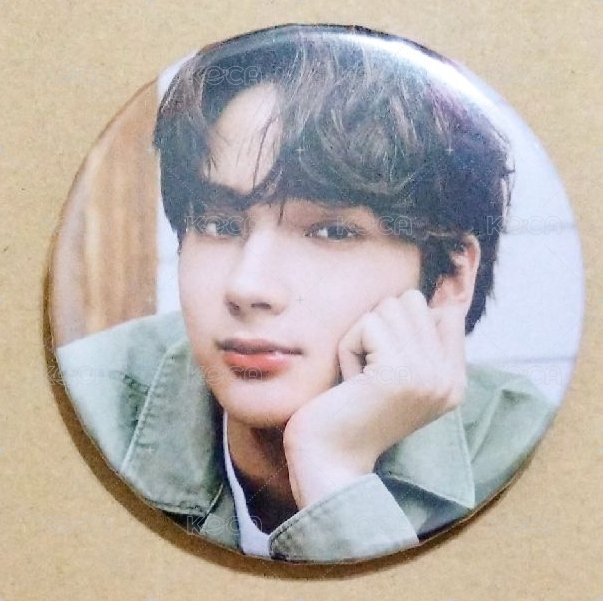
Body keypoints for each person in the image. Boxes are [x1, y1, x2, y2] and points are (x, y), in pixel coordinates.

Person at [55, 25, 555, 563]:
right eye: (219, 223)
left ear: (450, 275)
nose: (247, 286)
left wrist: (333, 473)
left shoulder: (527, 456)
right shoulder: (78, 405)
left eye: (332, 232)